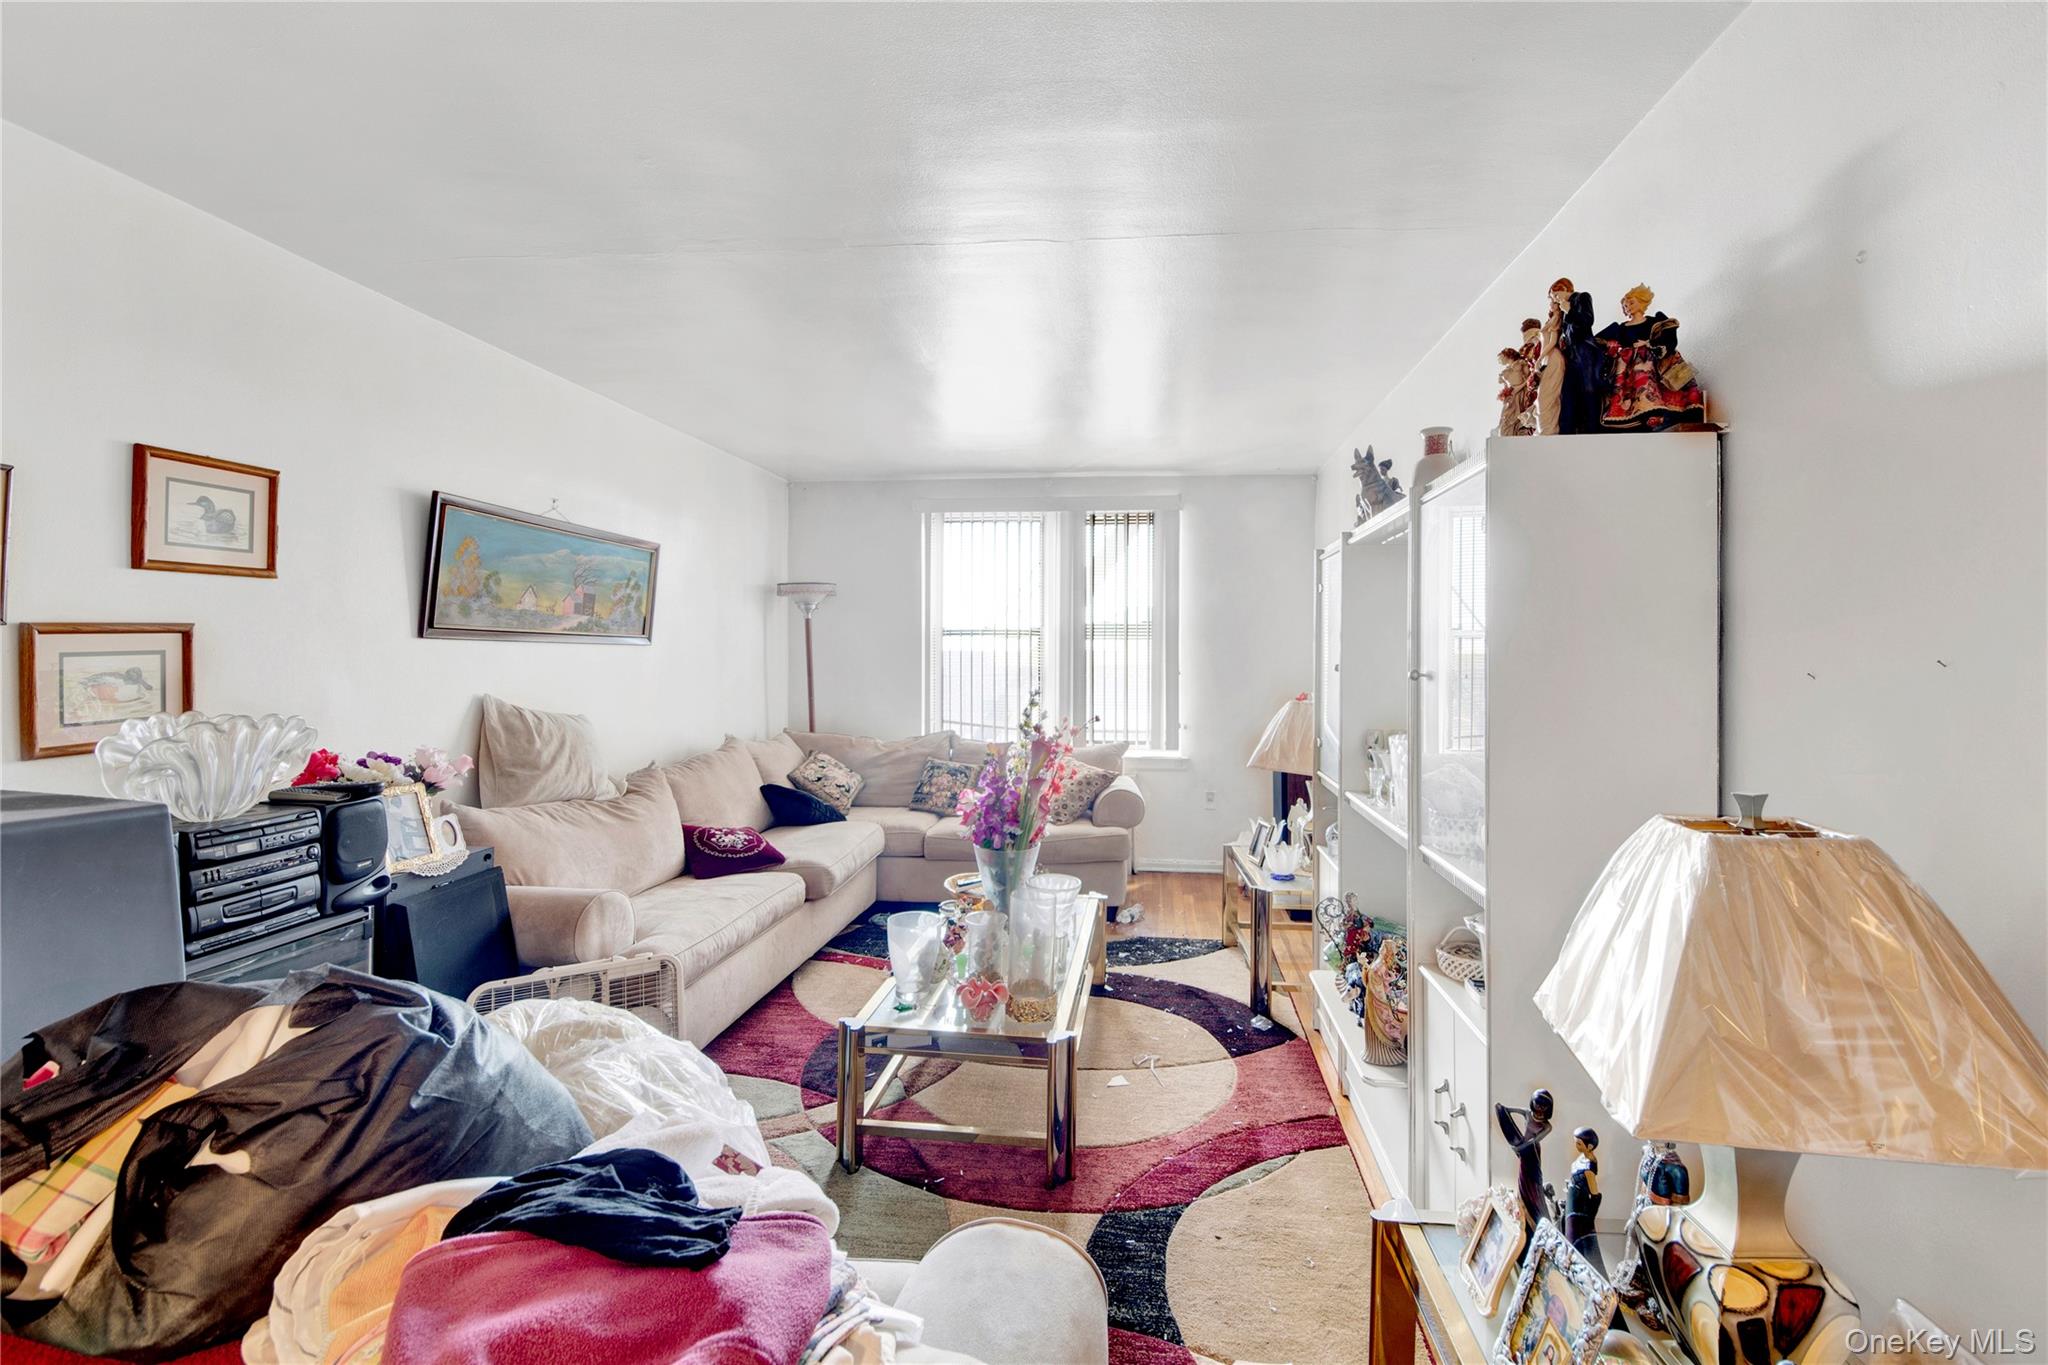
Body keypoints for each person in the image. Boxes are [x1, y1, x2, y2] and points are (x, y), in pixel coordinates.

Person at [1595, 283, 1706, 430]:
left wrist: (1650, 343)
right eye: (1625, 305)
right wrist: (1617, 349)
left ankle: (1669, 412)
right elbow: (1598, 340)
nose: (1628, 306)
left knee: (1659, 377)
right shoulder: (1621, 328)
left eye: (1631, 302)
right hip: (1633, 364)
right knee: (1641, 378)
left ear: (1642, 302)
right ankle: (1646, 414)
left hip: (1655, 359)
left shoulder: (1655, 321)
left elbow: (1668, 335)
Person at [1538, 279, 1602, 434]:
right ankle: (1567, 432)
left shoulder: (1581, 297)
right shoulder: (1563, 309)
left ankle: (1592, 430)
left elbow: (1587, 321)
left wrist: (1570, 311)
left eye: (1556, 295)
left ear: (1565, 289)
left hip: (1584, 352)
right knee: (1567, 394)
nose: (1556, 299)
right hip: (1571, 356)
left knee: (1588, 390)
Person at [1495, 1088, 1555, 1227]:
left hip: (1532, 1152)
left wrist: (1520, 1148)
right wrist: (1501, 1110)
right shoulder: (1528, 1113)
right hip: (1523, 1150)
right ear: (1532, 1103)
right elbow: (1509, 1110)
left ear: (1548, 1108)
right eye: (1537, 1104)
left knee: (1533, 1182)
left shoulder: (1547, 1126)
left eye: (1543, 1106)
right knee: (1522, 1179)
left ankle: (1535, 1213)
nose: (1539, 1109)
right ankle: (1523, 1207)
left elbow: (1534, 1141)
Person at [1563, 1127, 1602, 1271]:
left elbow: (1594, 1192)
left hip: (1579, 1206)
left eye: (1579, 1144)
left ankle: (1574, 1266)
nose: (1576, 1146)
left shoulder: (1589, 1167)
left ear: (1589, 1146)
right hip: (1572, 1200)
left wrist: (1590, 1215)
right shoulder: (1581, 1159)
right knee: (1568, 1230)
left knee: (1575, 1235)